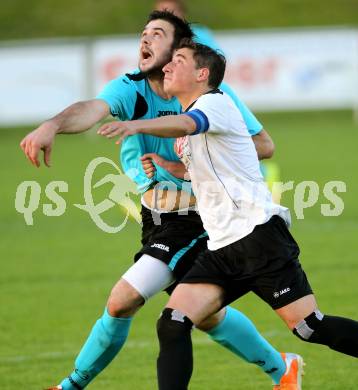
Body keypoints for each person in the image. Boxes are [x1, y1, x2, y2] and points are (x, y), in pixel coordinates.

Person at [20, 11, 295, 390]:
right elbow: (90, 110)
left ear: (179, 51)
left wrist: (201, 172)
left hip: (197, 217)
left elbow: (264, 145)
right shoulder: (131, 88)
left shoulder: (210, 95)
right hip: (158, 218)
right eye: (144, 33)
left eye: (158, 34)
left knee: (122, 300)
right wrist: (51, 125)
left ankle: (70, 385)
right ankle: (283, 369)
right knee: (207, 316)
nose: (145, 40)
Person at [98, 39, 358, 390]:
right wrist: (168, 165)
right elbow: (205, 168)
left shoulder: (214, 103)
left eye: (179, 60)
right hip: (222, 247)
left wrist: (135, 126)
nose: (169, 66)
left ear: (202, 73)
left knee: (308, 327)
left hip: (258, 238)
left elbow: (190, 124)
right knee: (173, 321)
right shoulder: (192, 122)